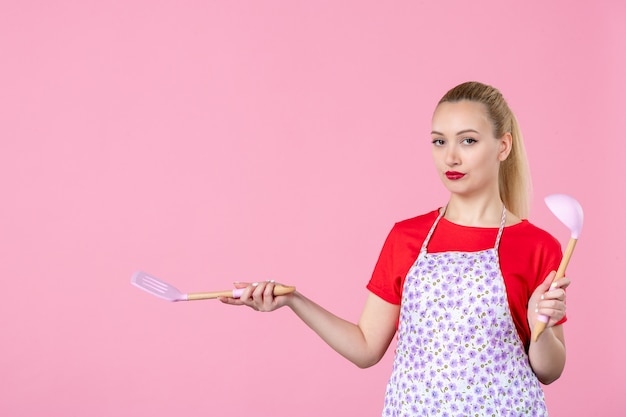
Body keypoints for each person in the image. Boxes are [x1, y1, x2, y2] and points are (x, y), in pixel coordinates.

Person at [220, 81, 569, 416]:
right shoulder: (406, 238)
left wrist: (541, 320)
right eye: (438, 141)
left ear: (503, 147)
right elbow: (366, 347)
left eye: (468, 141)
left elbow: (549, 370)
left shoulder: (538, 247)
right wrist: (293, 300)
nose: (450, 157)